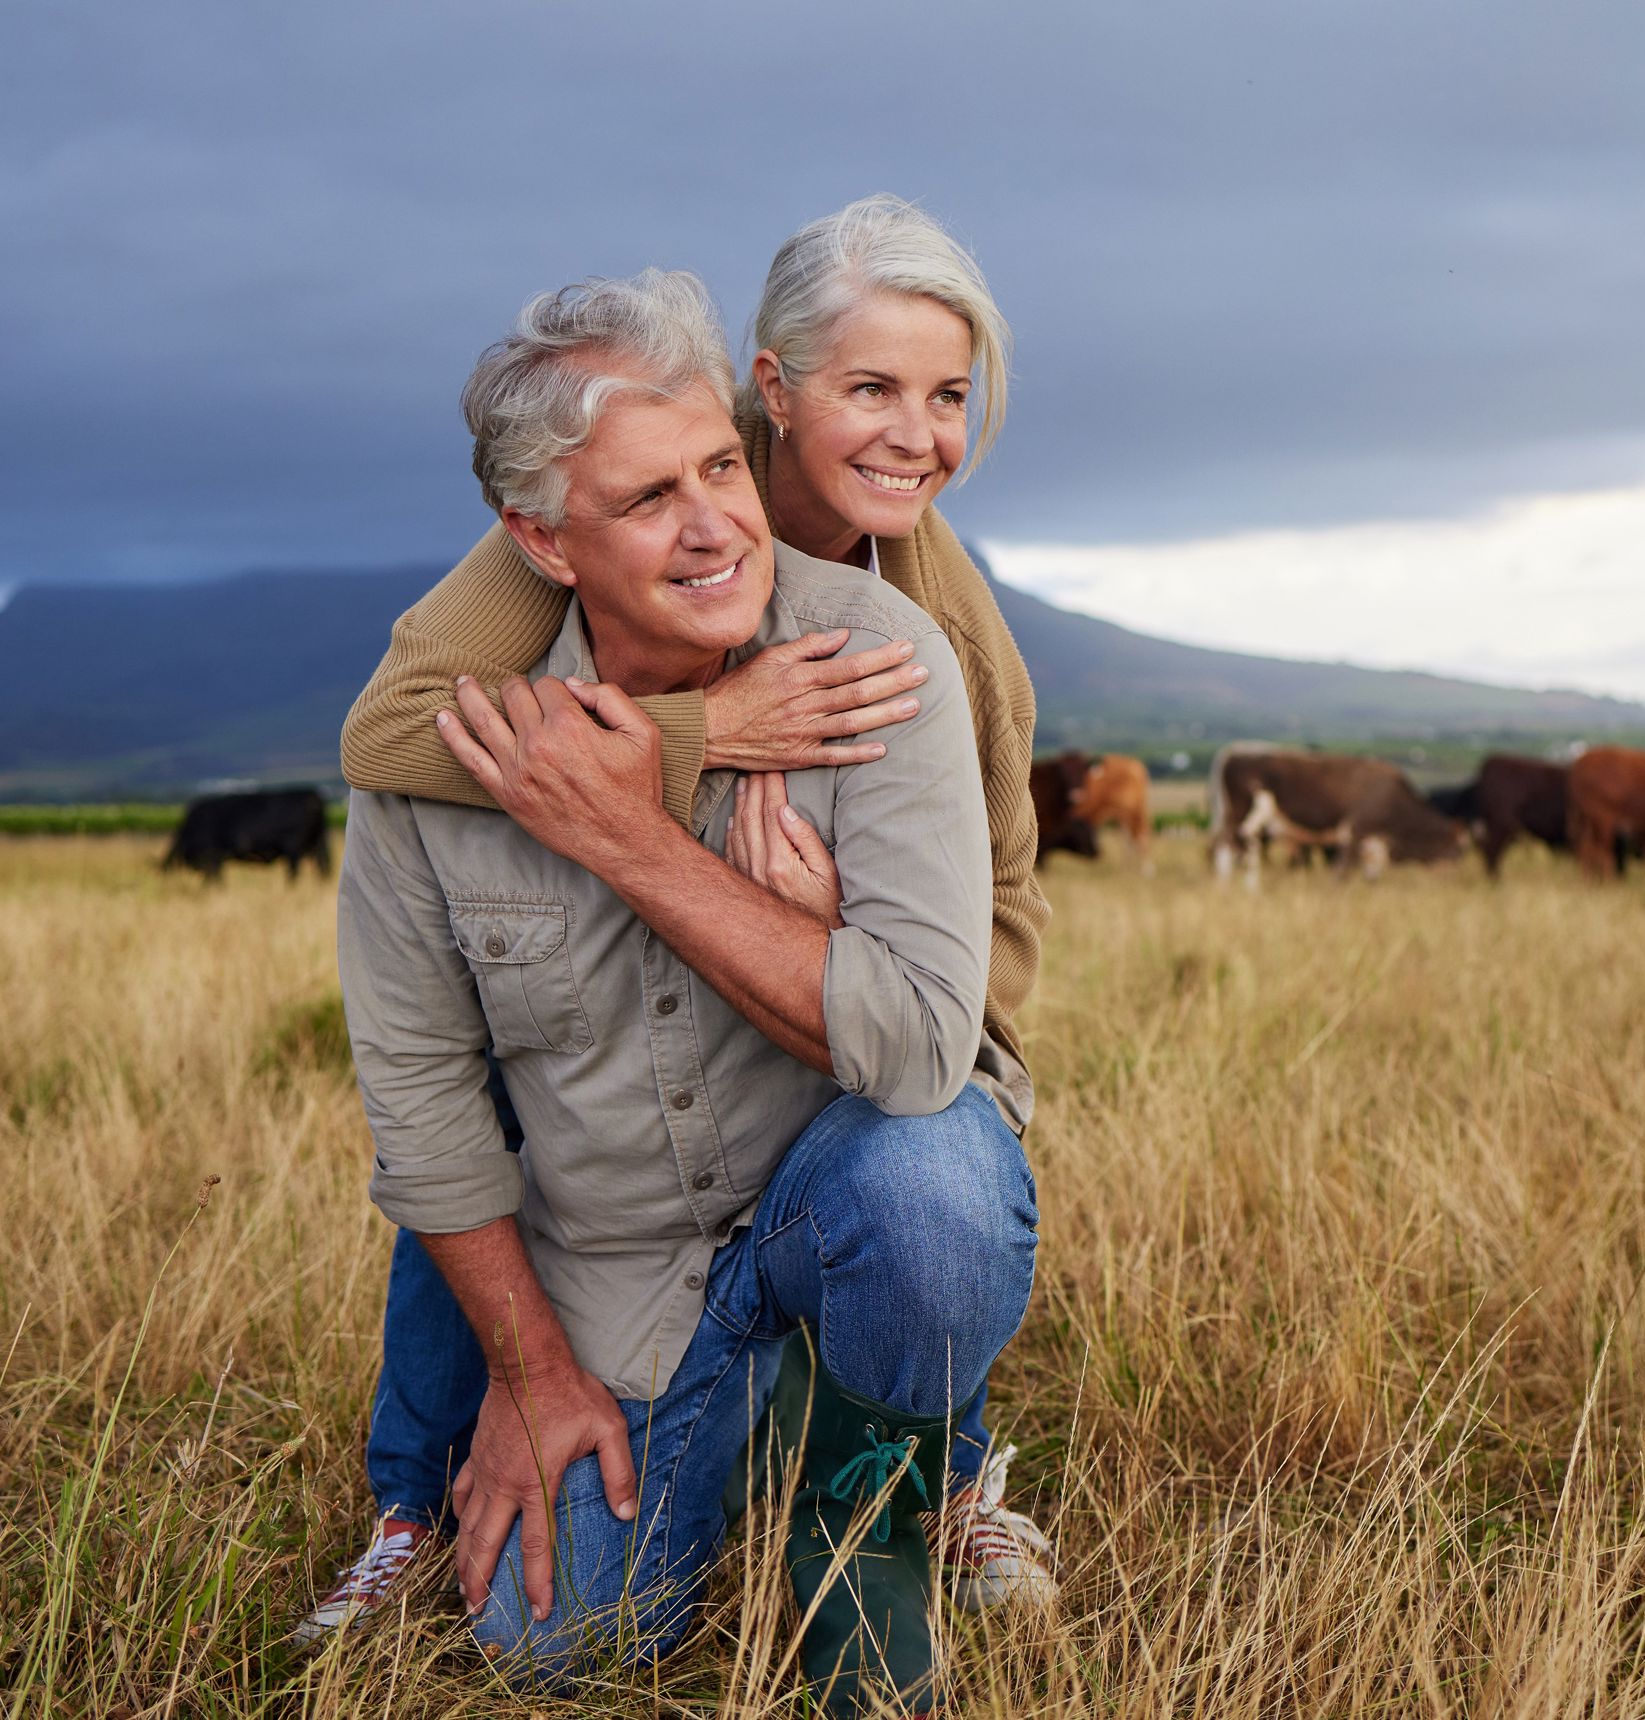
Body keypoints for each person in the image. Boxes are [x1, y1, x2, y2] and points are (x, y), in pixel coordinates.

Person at [308, 196, 1054, 1632]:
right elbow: (390, 738)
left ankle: (926, 1478)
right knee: (495, 1101)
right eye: (870, 389)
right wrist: (695, 731)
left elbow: (997, 896)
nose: (915, 433)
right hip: (619, 1134)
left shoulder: (927, 631)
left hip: (902, 1001)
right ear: (768, 389)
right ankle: (421, 1487)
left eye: (951, 395)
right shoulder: (600, 470)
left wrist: (886, 980)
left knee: (927, 1166)